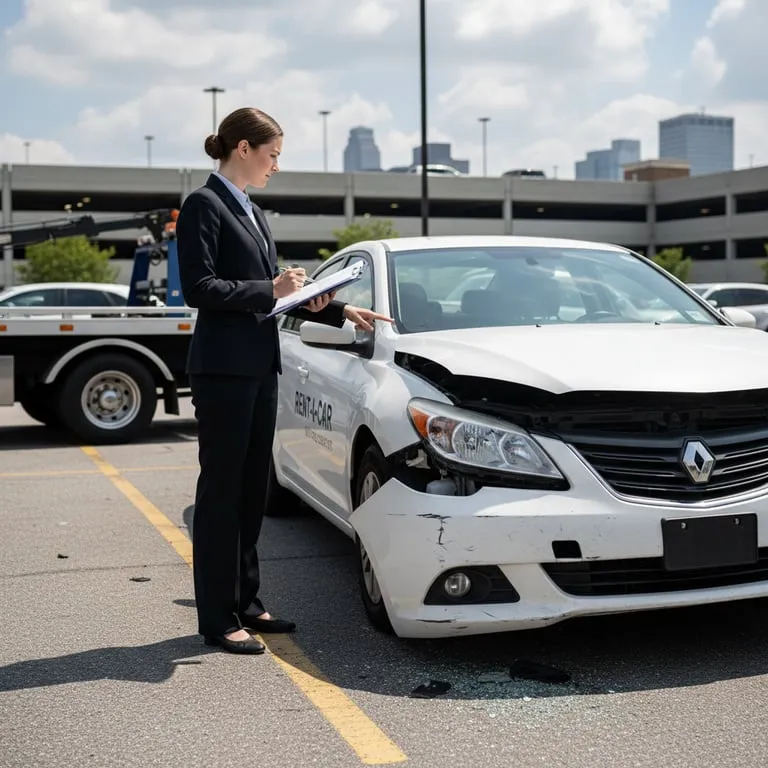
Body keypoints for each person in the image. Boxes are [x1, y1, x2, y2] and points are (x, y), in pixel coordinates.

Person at [176, 107, 392, 655]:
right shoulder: (204, 203)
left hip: (258, 367)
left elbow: (277, 297)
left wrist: (338, 311)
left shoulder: (251, 209)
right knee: (221, 494)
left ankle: (247, 603)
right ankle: (217, 618)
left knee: (251, 494)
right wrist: (268, 288)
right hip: (223, 371)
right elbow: (199, 288)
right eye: (272, 154)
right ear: (242, 149)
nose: (276, 165)